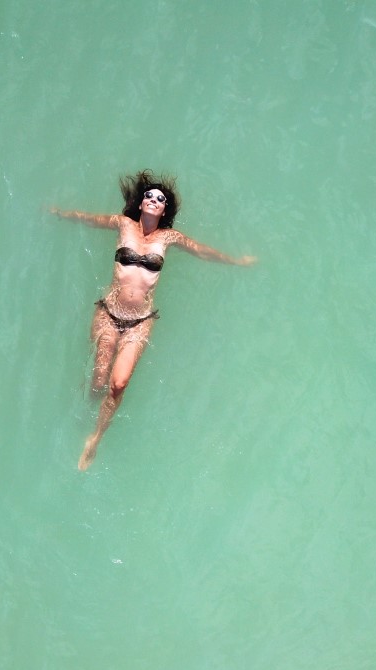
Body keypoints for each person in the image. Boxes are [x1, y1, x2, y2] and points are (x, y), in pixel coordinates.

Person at [52, 170, 256, 470]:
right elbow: (89, 219)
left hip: (140, 321)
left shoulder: (168, 237)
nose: (153, 199)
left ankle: (94, 438)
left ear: (164, 209)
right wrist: (59, 213)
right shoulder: (123, 224)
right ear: (140, 204)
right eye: (149, 195)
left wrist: (235, 261)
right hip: (109, 314)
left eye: (160, 198)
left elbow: (201, 251)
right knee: (97, 384)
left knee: (118, 384)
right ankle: (81, 412)